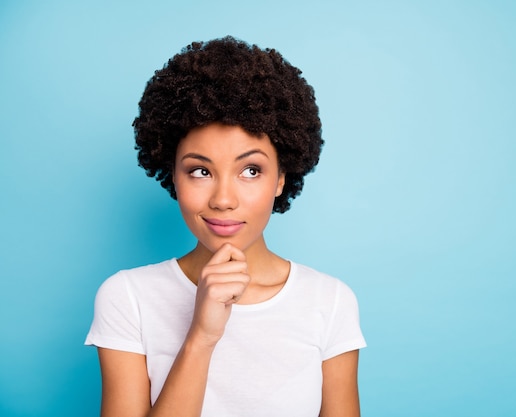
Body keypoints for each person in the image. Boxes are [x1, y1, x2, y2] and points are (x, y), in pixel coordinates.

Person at [85, 36, 366, 417]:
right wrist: (202, 336)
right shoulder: (127, 298)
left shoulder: (330, 302)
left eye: (251, 170)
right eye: (201, 171)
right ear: (173, 174)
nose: (223, 198)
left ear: (281, 177)